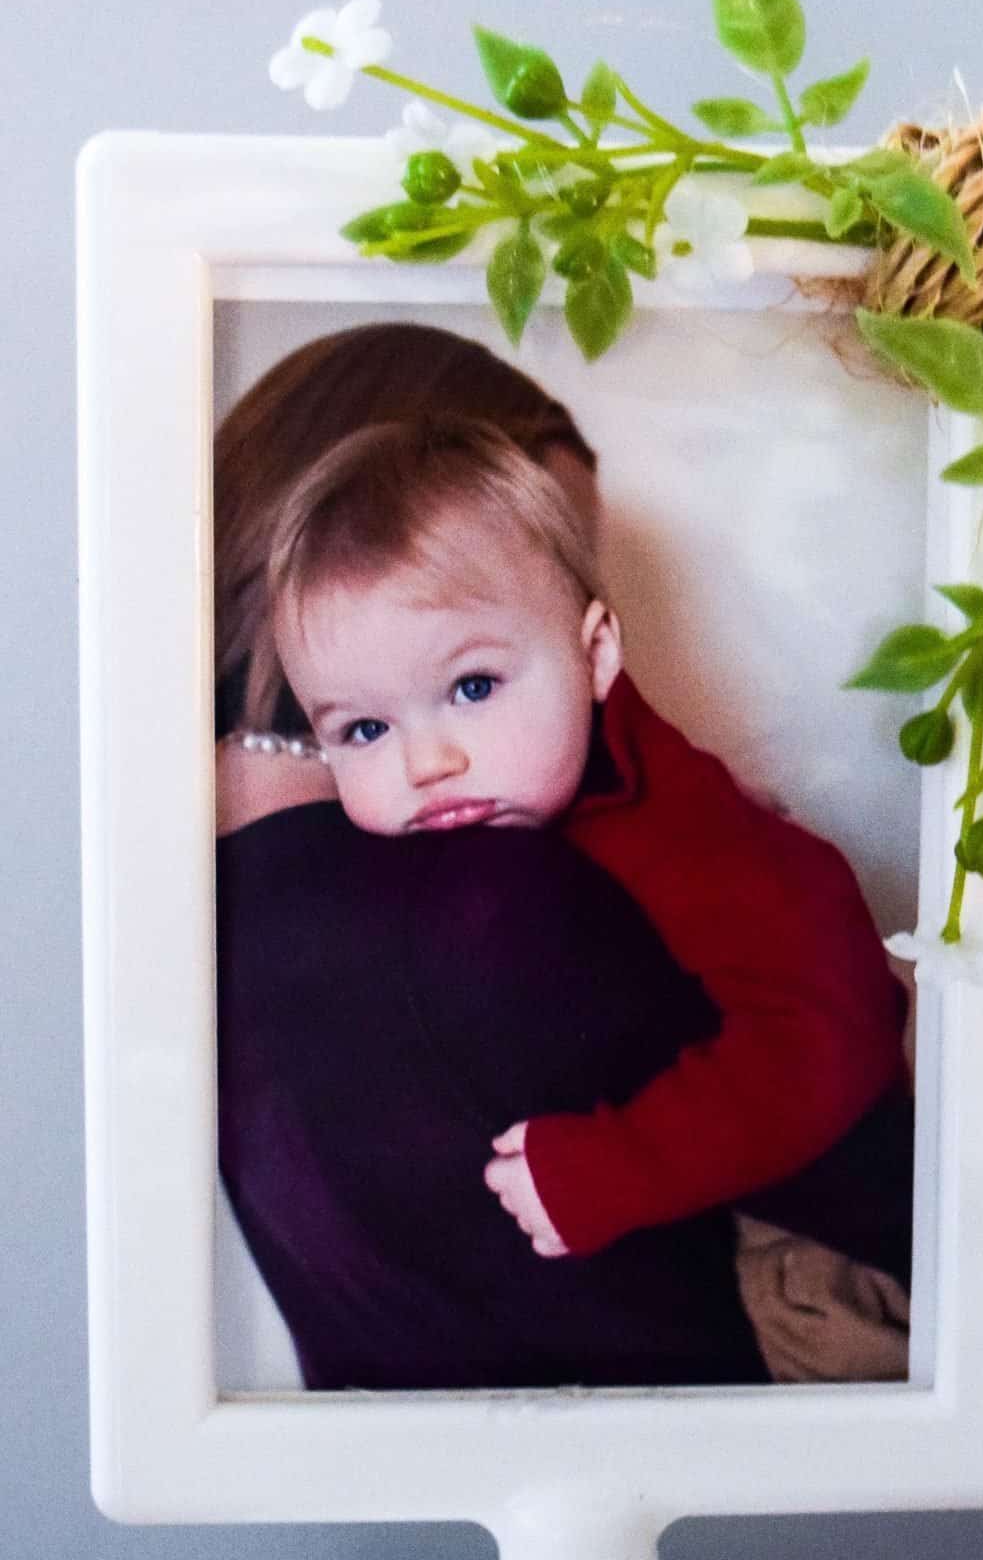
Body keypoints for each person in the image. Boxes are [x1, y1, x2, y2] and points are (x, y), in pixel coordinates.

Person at [214, 323, 912, 1388]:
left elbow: (834, 1045)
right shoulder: (474, 891)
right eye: (362, 725)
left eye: (479, 682)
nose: (434, 760)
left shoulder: (238, 905)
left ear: (593, 649)